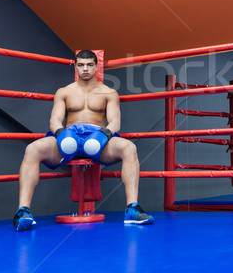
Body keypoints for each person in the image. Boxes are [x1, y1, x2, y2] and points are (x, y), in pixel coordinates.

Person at [13, 50, 153, 231]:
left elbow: (115, 121)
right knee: (32, 149)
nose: (85, 69)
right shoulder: (64, 92)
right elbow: (54, 120)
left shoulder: (109, 93)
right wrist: (61, 133)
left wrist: (103, 135)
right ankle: (23, 211)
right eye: (81, 65)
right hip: (69, 136)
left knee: (129, 148)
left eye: (89, 65)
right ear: (76, 66)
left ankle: (132, 209)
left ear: (96, 66)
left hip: (98, 138)